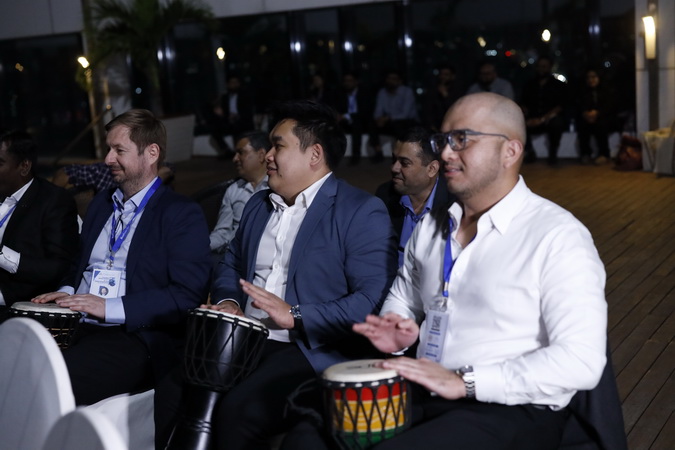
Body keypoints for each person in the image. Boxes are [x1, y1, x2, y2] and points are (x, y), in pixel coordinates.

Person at [352, 92, 607, 449]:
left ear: (510, 151)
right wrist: (399, 328)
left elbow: (580, 361)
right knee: (311, 435)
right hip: (426, 390)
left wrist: (466, 382)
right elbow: (404, 297)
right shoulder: (431, 227)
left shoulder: (557, 236)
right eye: (443, 140)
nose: (445, 153)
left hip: (510, 408)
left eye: (462, 139)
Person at [154, 100, 398, 449]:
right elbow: (231, 264)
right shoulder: (259, 204)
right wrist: (228, 302)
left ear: (314, 155)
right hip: (244, 338)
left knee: (239, 409)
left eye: (278, 146)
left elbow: (370, 301)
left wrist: (296, 315)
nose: (267, 155)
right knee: (172, 388)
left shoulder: (359, 210)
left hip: (308, 348)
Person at [33, 109, 212, 406]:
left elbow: (187, 295)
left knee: (47, 379)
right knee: (12, 356)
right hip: (77, 323)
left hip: (135, 335)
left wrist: (110, 307)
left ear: (151, 153)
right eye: (108, 149)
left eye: (119, 150)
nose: (107, 159)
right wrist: (66, 292)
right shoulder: (102, 203)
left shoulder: (180, 213)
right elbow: (77, 264)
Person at [0, 131, 79, 318]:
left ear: (24, 166)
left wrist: (2, 256)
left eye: (0, 163)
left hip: (17, 305)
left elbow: (59, 268)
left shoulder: (54, 201)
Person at [375, 126, 453, 266]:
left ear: (432, 169)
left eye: (404, 163)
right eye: (394, 159)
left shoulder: (455, 204)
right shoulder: (384, 195)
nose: (394, 168)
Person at [209, 130, 270, 258]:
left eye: (241, 153)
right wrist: (200, 246)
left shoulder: (277, 188)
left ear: (261, 155)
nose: (235, 158)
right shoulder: (234, 189)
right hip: (233, 257)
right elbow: (222, 232)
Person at [520, 56, 568, 165]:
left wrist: (542, 119)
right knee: (518, 122)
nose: (541, 69)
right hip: (532, 117)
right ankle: (529, 151)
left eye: (544, 66)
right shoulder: (529, 84)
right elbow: (523, 103)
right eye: (539, 66)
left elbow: (561, 106)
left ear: (550, 67)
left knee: (557, 123)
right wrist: (527, 116)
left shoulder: (558, 85)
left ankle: (553, 154)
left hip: (549, 118)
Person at [371, 70, 419, 163]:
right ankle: (378, 152)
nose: (390, 81)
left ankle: (399, 154)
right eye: (389, 78)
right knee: (372, 123)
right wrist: (379, 119)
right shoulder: (382, 92)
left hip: (407, 121)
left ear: (400, 81)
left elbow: (405, 114)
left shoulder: (407, 92)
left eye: (394, 79)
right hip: (389, 120)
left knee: (398, 125)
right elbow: (378, 111)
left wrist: (388, 118)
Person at [335, 71, 374, 165]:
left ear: (356, 82)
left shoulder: (364, 93)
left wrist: (346, 116)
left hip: (361, 120)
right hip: (345, 120)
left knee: (357, 124)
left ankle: (356, 155)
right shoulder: (341, 93)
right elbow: (338, 107)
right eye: (345, 81)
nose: (347, 83)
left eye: (350, 80)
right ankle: (332, 155)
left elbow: (364, 111)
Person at [577, 68, 614, 165]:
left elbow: (610, 106)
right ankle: (585, 153)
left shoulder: (606, 90)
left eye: (593, 77)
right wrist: (586, 114)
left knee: (601, 125)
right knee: (582, 126)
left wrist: (597, 113)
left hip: (603, 116)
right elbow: (580, 105)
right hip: (588, 117)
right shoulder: (583, 91)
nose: (591, 80)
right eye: (588, 77)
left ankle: (604, 154)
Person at [423, 64, 463, 132]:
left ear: (452, 76)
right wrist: (431, 126)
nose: (443, 77)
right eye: (441, 74)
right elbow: (427, 111)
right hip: (435, 129)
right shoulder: (432, 91)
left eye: (446, 74)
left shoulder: (458, 92)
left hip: (453, 127)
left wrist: (445, 95)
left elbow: (456, 111)